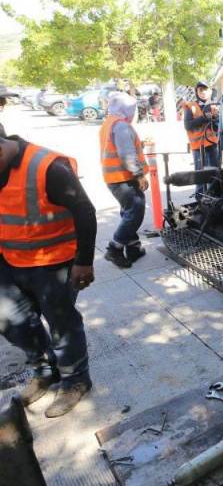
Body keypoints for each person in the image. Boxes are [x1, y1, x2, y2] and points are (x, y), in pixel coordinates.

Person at [0, 134, 97, 417]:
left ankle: (75, 380)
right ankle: (45, 370)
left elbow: (84, 211)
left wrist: (84, 261)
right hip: (8, 260)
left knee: (61, 323)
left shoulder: (48, 168)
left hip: (53, 264)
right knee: (11, 320)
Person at [100, 92, 148, 268]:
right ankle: (114, 248)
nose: (134, 113)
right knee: (135, 211)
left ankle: (133, 248)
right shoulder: (121, 126)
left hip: (115, 177)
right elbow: (126, 154)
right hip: (123, 178)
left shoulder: (110, 122)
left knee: (128, 211)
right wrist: (139, 175)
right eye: (132, 109)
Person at [184, 81, 220, 192]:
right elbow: (188, 125)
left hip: (212, 145)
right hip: (198, 147)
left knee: (214, 174)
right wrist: (204, 118)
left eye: (205, 90)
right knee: (200, 174)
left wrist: (214, 120)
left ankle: (214, 196)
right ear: (196, 92)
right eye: (200, 90)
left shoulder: (214, 106)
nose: (203, 92)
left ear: (210, 91)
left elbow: (217, 127)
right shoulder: (190, 106)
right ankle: (199, 197)